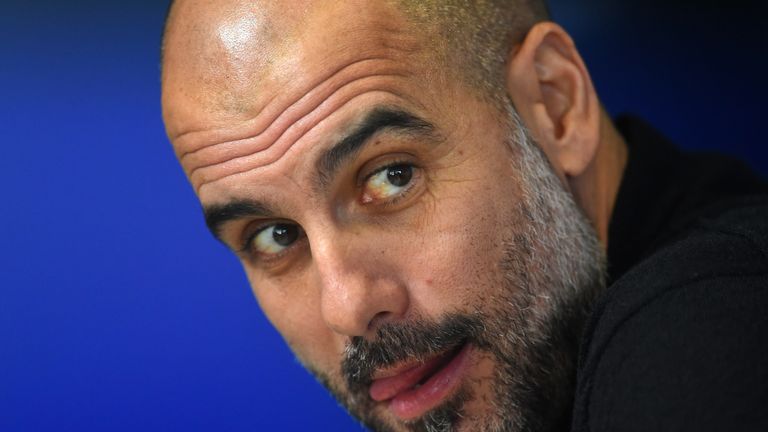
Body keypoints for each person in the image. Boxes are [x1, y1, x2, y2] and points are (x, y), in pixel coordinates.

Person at [160, 1, 768, 431]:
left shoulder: (703, 337)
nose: (345, 307)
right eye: (276, 235)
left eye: (390, 176)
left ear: (556, 105)